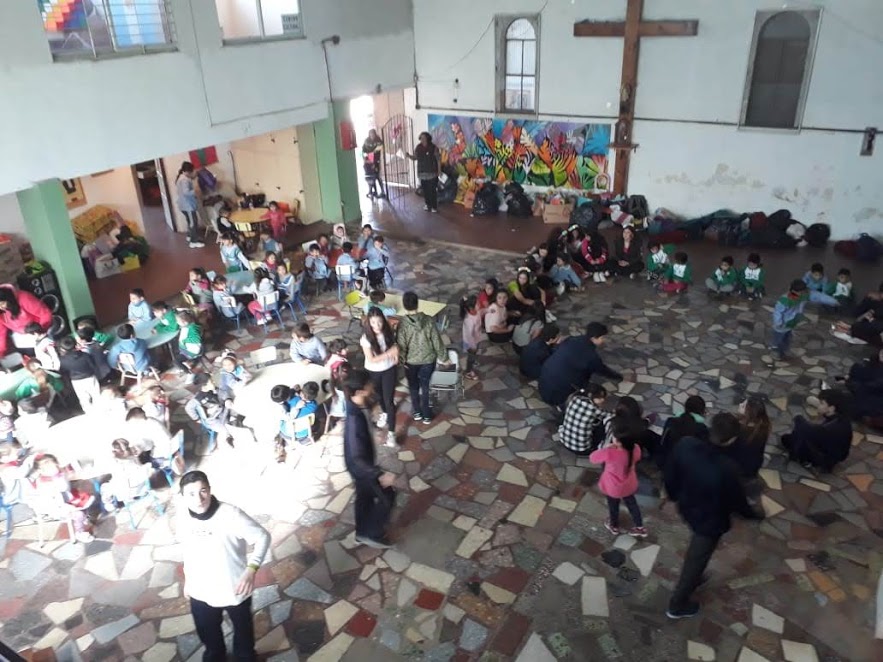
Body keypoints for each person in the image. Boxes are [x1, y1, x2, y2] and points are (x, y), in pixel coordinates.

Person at [664, 414, 765, 619]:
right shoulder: (727, 469)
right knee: (696, 559)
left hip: (687, 506)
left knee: (696, 555)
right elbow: (738, 502)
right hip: (709, 522)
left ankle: (694, 579)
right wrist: (755, 515)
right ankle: (677, 605)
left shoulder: (686, 444)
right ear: (732, 439)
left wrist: (674, 496)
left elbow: (670, 473)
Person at [176, 471, 270, 661]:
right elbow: (188, 551)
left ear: (210, 490)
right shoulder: (182, 518)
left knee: (244, 637)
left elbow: (262, 537)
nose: (199, 499)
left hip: (234, 588)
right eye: (191, 494)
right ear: (183, 496)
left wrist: (251, 570)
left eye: (203, 491)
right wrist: (188, 580)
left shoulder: (231, 514)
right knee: (209, 637)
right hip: (200, 591)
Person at [343, 369, 397, 548]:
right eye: (369, 385)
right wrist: (379, 474)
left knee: (364, 497)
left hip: (359, 467)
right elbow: (357, 457)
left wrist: (374, 429)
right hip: (362, 468)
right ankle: (373, 534)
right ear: (360, 391)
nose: (372, 386)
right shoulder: (354, 419)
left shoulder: (357, 404)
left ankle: (361, 533)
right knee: (387, 495)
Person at [539, 322, 622, 408]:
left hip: (544, 383)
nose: (604, 340)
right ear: (594, 338)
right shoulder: (591, 356)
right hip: (557, 394)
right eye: (602, 337)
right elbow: (602, 370)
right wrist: (618, 377)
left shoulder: (572, 340)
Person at [396, 291, 448, 424]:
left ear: (404, 305)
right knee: (425, 387)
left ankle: (417, 412)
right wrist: (444, 357)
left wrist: (401, 361)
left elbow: (401, 345)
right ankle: (427, 415)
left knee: (413, 386)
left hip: (411, 362)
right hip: (428, 360)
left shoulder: (403, 324)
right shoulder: (429, 320)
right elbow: (436, 340)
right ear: (417, 304)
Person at [591, 417, 646, 537]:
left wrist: (607, 447)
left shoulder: (610, 452)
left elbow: (593, 458)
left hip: (613, 487)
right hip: (629, 484)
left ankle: (614, 525)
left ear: (618, 441)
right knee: (632, 504)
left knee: (613, 506)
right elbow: (637, 457)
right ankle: (640, 527)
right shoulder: (635, 448)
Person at [29, 454, 95, 543]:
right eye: (49, 468)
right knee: (79, 514)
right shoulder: (45, 484)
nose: (55, 469)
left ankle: (83, 517)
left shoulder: (57, 474)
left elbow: (69, 470)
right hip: (56, 507)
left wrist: (79, 464)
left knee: (86, 497)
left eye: (55, 466)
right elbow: (50, 501)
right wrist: (66, 506)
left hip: (66, 497)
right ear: (41, 471)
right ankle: (79, 532)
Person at [781, 389, 852, 472]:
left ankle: (803, 458)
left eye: (822, 403)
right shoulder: (841, 419)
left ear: (832, 408)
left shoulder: (831, 427)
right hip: (832, 452)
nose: (819, 405)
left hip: (825, 458)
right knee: (793, 437)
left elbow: (808, 430)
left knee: (794, 437)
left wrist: (798, 417)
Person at [361, 308, 399, 447]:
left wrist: (395, 354)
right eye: (373, 323)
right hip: (373, 371)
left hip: (389, 369)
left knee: (389, 401)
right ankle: (385, 413)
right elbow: (371, 359)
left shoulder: (388, 331)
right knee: (380, 397)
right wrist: (390, 353)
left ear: (383, 320)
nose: (377, 326)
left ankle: (392, 434)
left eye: (379, 322)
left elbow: (393, 345)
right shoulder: (365, 339)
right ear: (369, 323)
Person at [717, 399, 770, 479]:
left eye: (743, 406)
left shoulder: (739, 431)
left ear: (748, 413)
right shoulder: (762, 428)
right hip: (753, 466)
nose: (740, 404)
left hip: (737, 469)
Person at [0, 284, 52, 360]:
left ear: (8, 298)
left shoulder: (24, 298)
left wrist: (41, 331)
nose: (1, 307)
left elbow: (45, 314)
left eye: (2, 303)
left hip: (39, 329)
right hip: (23, 335)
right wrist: (1, 352)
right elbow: (1, 333)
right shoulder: (1, 312)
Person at [558, 383, 612, 455]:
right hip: (583, 449)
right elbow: (610, 416)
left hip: (565, 442)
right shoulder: (594, 409)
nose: (603, 400)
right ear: (590, 395)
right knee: (603, 424)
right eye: (599, 398)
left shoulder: (575, 399)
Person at [657, 395, 708, 469]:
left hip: (667, 462)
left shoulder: (670, 421)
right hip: (688, 468)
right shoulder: (702, 429)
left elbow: (663, 442)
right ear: (702, 412)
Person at [101, 439, 153, 511]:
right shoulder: (119, 465)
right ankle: (110, 503)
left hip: (127, 495)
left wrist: (138, 448)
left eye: (125, 449)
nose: (125, 451)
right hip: (140, 490)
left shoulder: (120, 463)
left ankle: (110, 504)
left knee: (107, 487)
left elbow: (149, 443)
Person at [185, 375, 234, 452]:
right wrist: (197, 419)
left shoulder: (213, 389)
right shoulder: (198, 398)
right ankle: (221, 445)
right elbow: (188, 407)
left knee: (234, 415)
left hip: (220, 412)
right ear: (204, 385)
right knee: (225, 430)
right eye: (211, 381)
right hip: (212, 420)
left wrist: (227, 399)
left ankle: (227, 436)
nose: (214, 382)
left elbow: (223, 393)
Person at [608, 396, 661, 461]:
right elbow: (648, 421)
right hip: (632, 455)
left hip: (613, 453)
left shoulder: (610, 422)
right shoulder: (640, 427)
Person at [57, 336, 100, 412]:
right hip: (90, 377)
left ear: (63, 349)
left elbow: (64, 371)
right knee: (96, 395)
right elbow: (93, 366)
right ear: (75, 344)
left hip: (76, 381)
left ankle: (89, 412)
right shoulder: (85, 355)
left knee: (83, 399)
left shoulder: (62, 361)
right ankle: (100, 409)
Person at [771, 279, 809, 360]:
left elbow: (800, 306)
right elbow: (778, 312)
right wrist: (778, 322)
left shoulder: (801, 297)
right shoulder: (785, 300)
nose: (801, 294)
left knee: (787, 338)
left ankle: (785, 350)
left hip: (790, 323)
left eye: (802, 292)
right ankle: (775, 352)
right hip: (781, 325)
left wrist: (799, 316)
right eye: (800, 292)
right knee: (778, 339)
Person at [407, 132, 441, 212]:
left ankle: (434, 207)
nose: (422, 139)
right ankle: (427, 204)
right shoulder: (418, 147)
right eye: (421, 138)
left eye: (424, 138)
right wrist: (408, 156)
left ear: (428, 138)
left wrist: (439, 170)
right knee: (425, 190)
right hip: (422, 173)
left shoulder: (433, 147)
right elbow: (415, 157)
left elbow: (438, 159)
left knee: (432, 190)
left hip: (432, 173)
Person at [176, 162, 205, 249]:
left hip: (183, 205)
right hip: (187, 206)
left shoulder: (181, 177)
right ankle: (194, 242)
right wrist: (195, 191)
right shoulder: (185, 180)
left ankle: (190, 236)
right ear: (188, 172)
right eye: (193, 171)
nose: (194, 173)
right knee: (193, 222)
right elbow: (186, 192)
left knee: (190, 221)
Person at [176, 311, 204, 383]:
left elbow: (196, 339)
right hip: (188, 348)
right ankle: (187, 364)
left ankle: (190, 373)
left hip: (192, 351)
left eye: (178, 321)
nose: (177, 323)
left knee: (176, 361)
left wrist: (184, 340)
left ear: (185, 322)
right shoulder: (188, 326)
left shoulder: (192, 329)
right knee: (177, 352)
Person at [461, 295, 482, 381]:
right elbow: (469, 335)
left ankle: (473, 361)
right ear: (471, 307)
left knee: (474, 353)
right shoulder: (469, 320)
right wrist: (473, 346)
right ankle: (468, 372)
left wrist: (488, 310)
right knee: (471, 357)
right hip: (470, 343)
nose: (479, 304)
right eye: (478, 304)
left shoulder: (476, 311)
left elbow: (481, 312)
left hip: (476, 339)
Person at [362, 128, 386, 199]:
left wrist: (373, 158)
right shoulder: (366, 141)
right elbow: (363, 150)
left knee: (377, 176)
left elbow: (379, 149)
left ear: (375, 134)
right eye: (370, 134)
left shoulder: (378, 141)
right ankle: (373, 191)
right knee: (371, 177)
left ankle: (383, 192)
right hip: (368, 161)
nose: (372, 135)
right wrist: (365, 159)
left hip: (376, 161)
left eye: (373, 134)